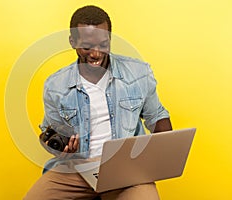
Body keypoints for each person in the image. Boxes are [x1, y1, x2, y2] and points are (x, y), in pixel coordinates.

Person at [24, 5, 172, 200]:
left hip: (126, 168)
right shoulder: (55, 85)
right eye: (86, 47)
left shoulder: (138, 73)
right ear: (72, 41)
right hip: (76, 168)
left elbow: (158, 118)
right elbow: (51, 136)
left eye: (103, 44)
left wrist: (166, 150)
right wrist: (62, 150)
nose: (95, 54)